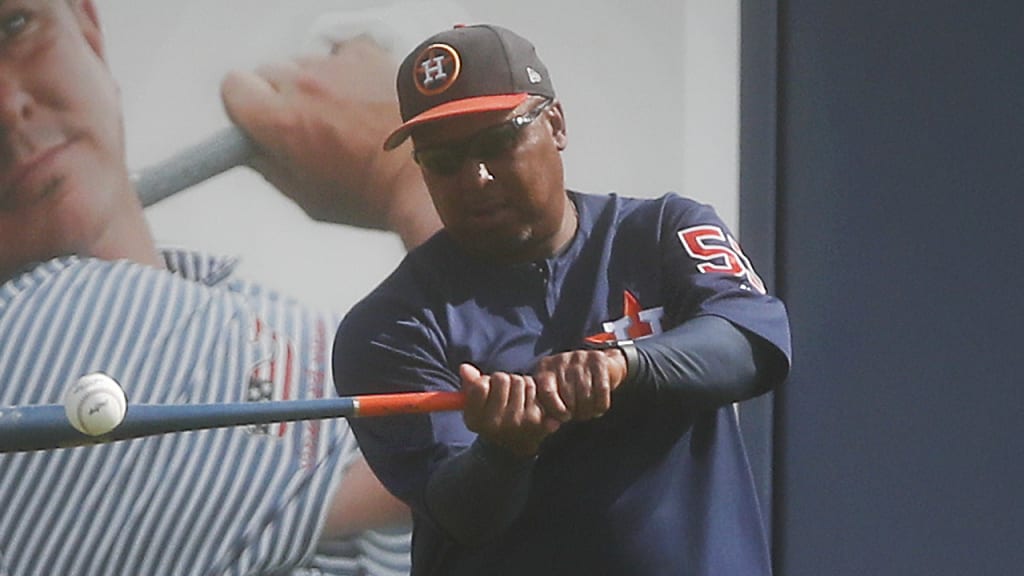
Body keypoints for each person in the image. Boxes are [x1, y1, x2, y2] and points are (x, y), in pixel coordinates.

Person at [333, 24, 793, 575]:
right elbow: (457, 512)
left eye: (497, 142)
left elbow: (752, 343)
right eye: (444, 160)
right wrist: (505, 449)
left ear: (555, 124)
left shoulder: (661, 232)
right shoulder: (388, 326)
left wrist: (625, 366)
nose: (476, 178)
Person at [0, 0, 440, 574]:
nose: (8, 107)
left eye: (15, 27)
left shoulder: (215, 302)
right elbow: (523, 430)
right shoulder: (35, 336)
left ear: (87, 25)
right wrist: (411, 170)